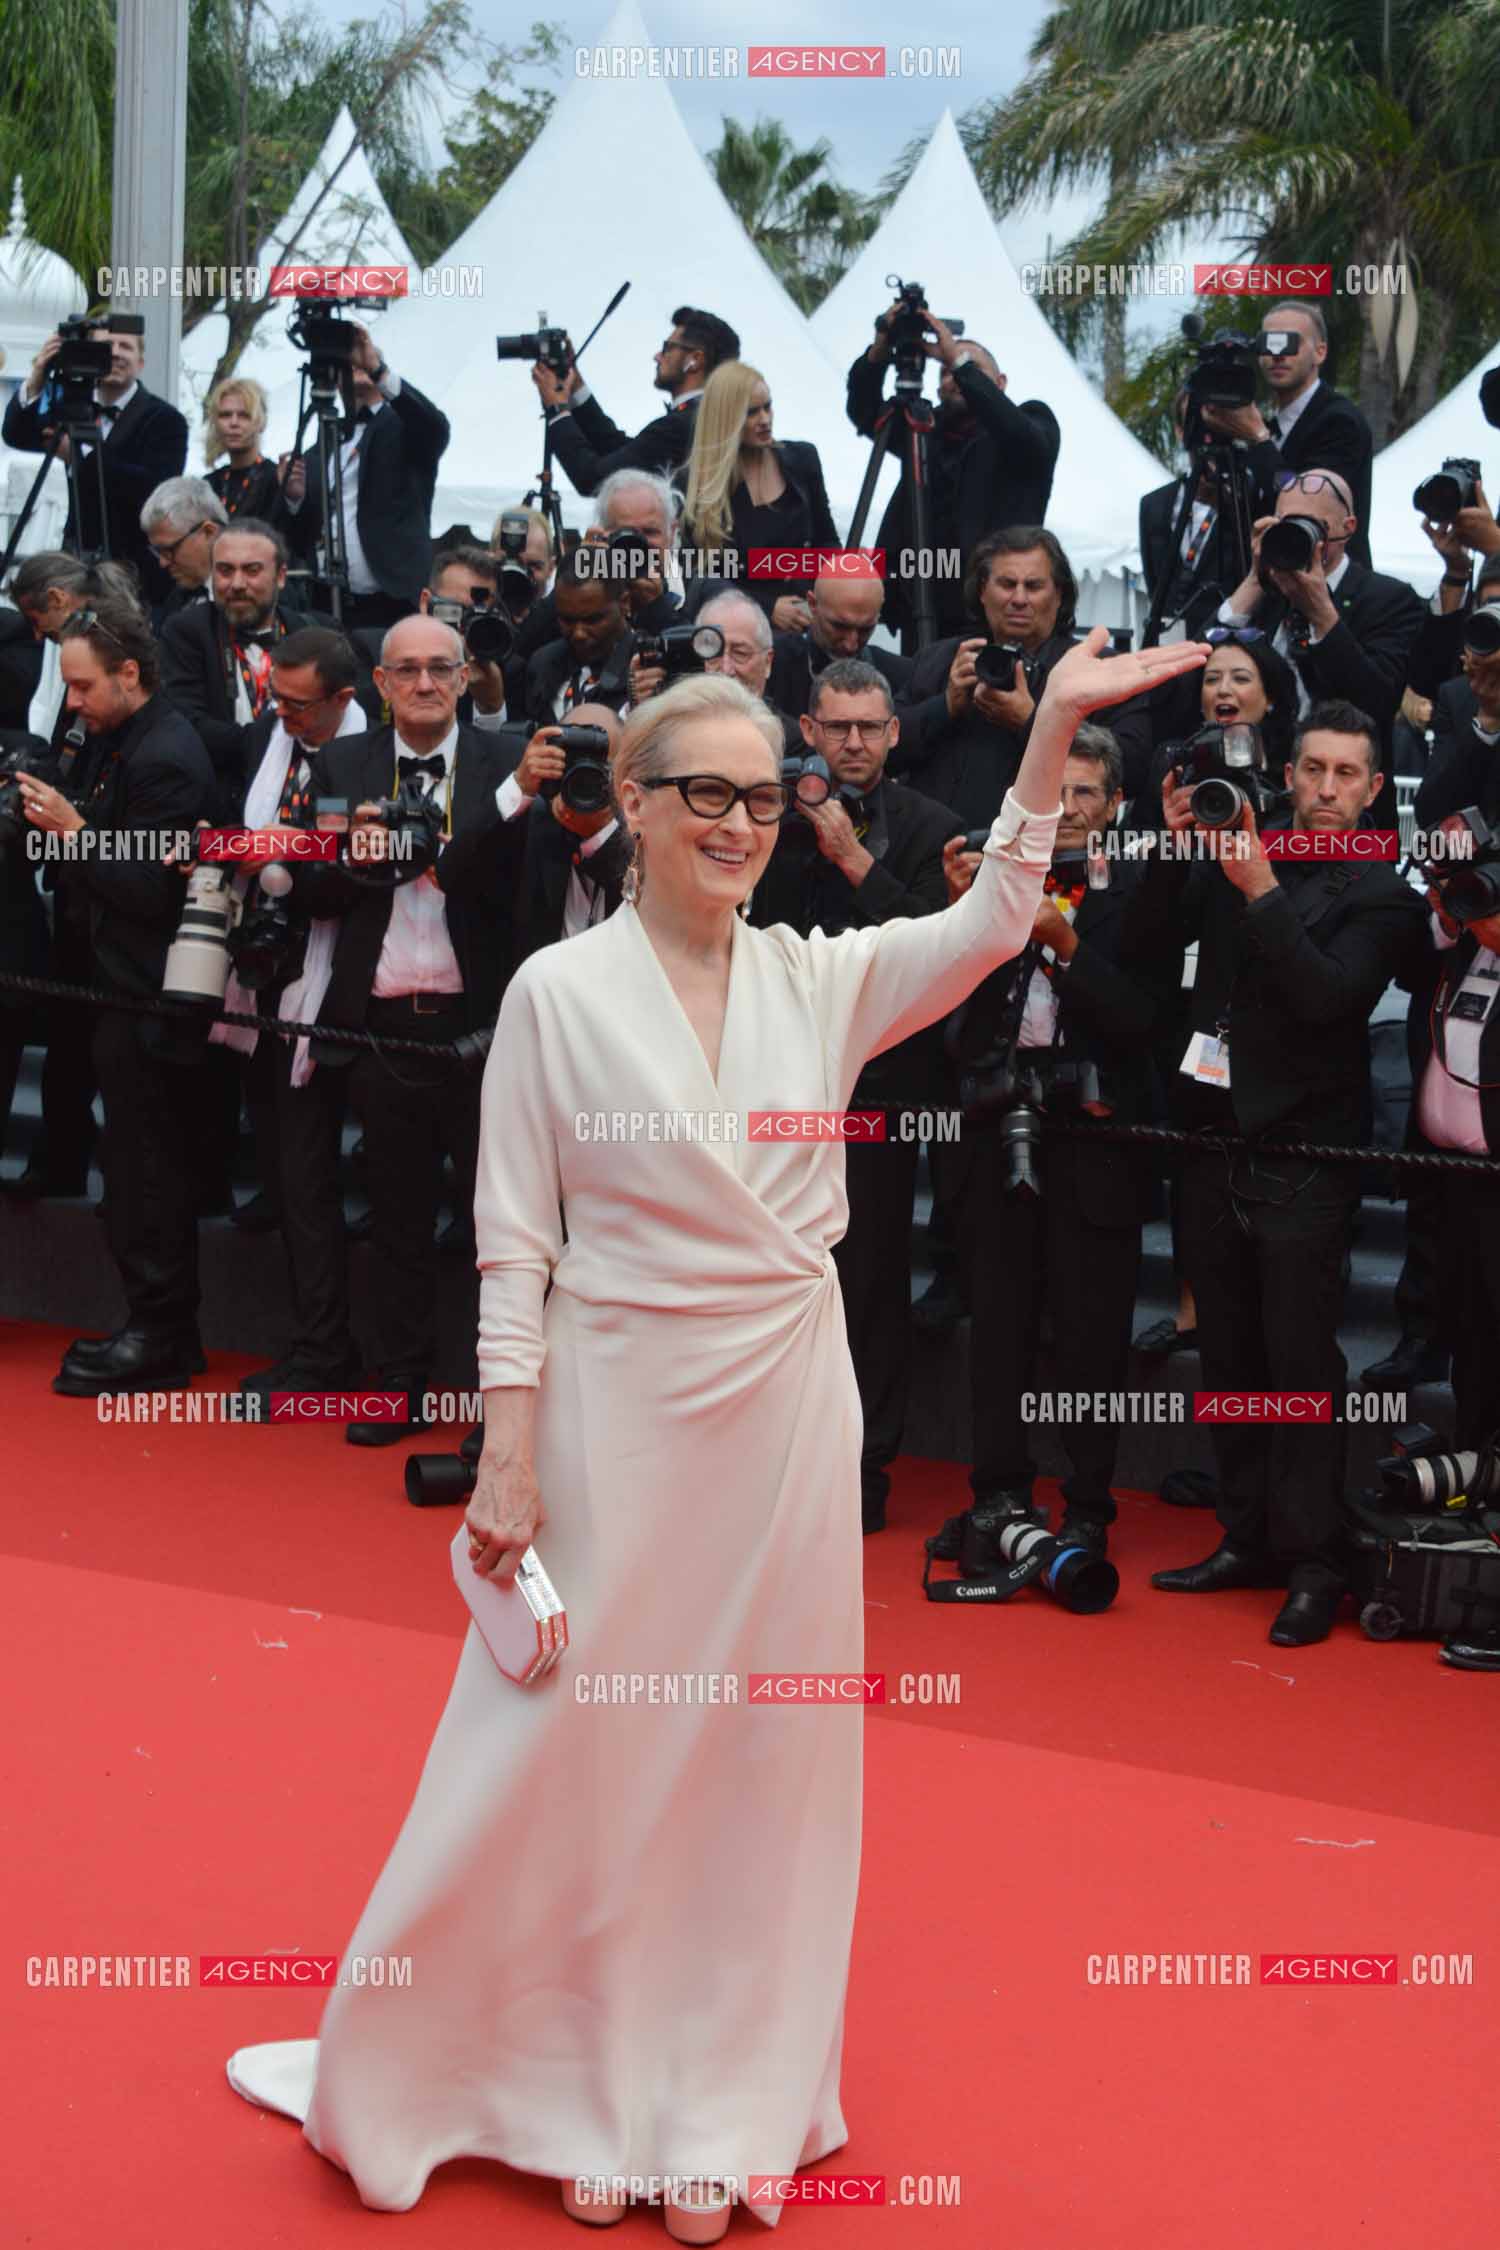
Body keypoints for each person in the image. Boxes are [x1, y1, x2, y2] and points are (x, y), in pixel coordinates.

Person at [223, 628, 1211, 2231]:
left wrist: (1053, 740)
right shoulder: (556, 992)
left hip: (783, 1416)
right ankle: (564, 2076)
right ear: (633, 800)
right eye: (706, 793)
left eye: (764, 796)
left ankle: (717, 2086)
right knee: (579, 1748)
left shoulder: (819, 979)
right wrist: (511, 1443)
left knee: (758, 1755)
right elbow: (513, 1237)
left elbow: (992, 920)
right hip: (614, 1409)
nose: (741, 824)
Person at [1131, 701, 1426, 1645]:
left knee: (1300, 1366)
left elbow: (1328, 1000)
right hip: (1214, 1140)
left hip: (1307, 1156)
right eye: (1313, 770)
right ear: (1289, 773)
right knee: (1229, 1358)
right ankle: (1246, 1535)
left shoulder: (1382, 892)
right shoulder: (1233, 841)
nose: (1327, 790)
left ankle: (1313, 1560)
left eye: (1347, 775)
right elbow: (1141, 946)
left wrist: (1258, 890)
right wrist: (1174, 847)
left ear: (1375, 791)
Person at [928, 726, 1174, 1570]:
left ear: (1113, 809)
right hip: (996, 1127)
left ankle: (1088, 1508)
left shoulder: (1139, 891)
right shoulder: (990, 880)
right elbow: (940, 1012)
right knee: (995, 1326)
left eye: (1084, 795)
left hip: (1097, 1142)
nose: (1066, 810)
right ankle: (998, 1494)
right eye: (1054, 792)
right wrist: (967, 915)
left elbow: (1145, 1022)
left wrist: (1065, 945)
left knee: (1090, 1337)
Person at [282, 613, 526, 1444]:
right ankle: (400, 1383)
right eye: (407, 670)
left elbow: (527, 893)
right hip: (382, 1025)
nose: (425, 683)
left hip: (485, 1025)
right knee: (394, 1219)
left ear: (464, 678)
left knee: (501, 1224)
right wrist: (353, 856)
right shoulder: (343, 763)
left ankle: (507, 1401)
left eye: (440, 668)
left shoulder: (509, 763)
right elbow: (307, 895)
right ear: (380, 686)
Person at [13, 599, 218, 1395]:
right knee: (130, 1169)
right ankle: (160, 1326)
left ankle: (162, 1333)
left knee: (145, 1172)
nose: (73, 703)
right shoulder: (110, 735)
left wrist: (71, 833)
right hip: (107, 987)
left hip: (147, 993)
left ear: (130, 674)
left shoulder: (166, 753)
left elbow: (147, 891)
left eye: (84, 687)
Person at [1215, 466, 1424, 832]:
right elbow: (1206, 666)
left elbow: (1376, 701)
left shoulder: (1389, 599)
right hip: (1259, 807)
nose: (1296, 537)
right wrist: (1253, 581)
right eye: (1285, 524)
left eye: (1310, 526)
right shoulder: (1267, 595)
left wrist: (1322, 613)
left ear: (1348, 528)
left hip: (1348, 814)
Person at [846, 300, 1060, 648]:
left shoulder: (1031, 421)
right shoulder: (925, 430)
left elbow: (1024, 439)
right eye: (944, 373)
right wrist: (880, 350)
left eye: (965, 369)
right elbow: (864, 411)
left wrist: (957, 362)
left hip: (995, 614)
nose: (953, 378)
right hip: (924, 607)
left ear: (1000, 382)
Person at [2, 312, 189, 594]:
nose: (114, 354)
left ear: (141, 362)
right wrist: (38, 377)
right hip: (75, 564)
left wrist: (82, 456)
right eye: (106, 346)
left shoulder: (166, 419)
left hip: (135, 572)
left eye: (125, 346)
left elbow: (154, 487)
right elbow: (17, 433)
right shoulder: (72, 410)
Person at [280, 322, 451, 629]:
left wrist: (376, 367)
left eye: (361, 361)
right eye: (349, 362)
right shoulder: (324, 440)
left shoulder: (403, 429)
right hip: (327, 600)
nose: (355, 365)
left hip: (391, 599)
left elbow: (434, 426)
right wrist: (294, 497)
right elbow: (303, 529)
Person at [1198, 301, 1375, 568]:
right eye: (1269, 344)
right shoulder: (1269, 425)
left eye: (1290, 343)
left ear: (1320, 352)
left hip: (1329, 588)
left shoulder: (1340, 421)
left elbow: (1309, 502)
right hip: (1271, 580)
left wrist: (1257, 438)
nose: (1278, 355)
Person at [158, 519, 314, 818]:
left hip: (300, 802)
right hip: (217, 805)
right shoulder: (186, 631)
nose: (237, 584)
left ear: (281, 576)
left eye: (252, 570)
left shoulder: (314, 632)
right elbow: (187, 725)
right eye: (225, 570)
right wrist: (270, 744)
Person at [676, 361, 839, 627]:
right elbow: (697, 578)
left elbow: (828, 542)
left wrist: (820, 596)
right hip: (738, 626)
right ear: (726, 418)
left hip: (808, 618)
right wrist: (767, 607)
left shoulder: (803, 458)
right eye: (751, 412)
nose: (765, 419)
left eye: (768, 407)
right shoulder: (695, 484)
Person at [534, 305, 741, 495]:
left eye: (667, 347)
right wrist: (576, 388)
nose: (657, 356)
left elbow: (592, 479)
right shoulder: (704, 416)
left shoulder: (681, 425)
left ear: (694, 360)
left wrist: (557, 410)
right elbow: (621, 452)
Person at [140, 476, 228, 621]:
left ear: (209, 532)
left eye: (169, 549)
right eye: (157, 551)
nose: (162, 563)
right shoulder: (175, 602)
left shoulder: (261, 596)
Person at [202, 375, 284, 522]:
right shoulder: (209, 485)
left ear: (261, 422)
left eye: (244, 415)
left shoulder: (276, 480)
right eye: (225, 415)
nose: (234, 423)